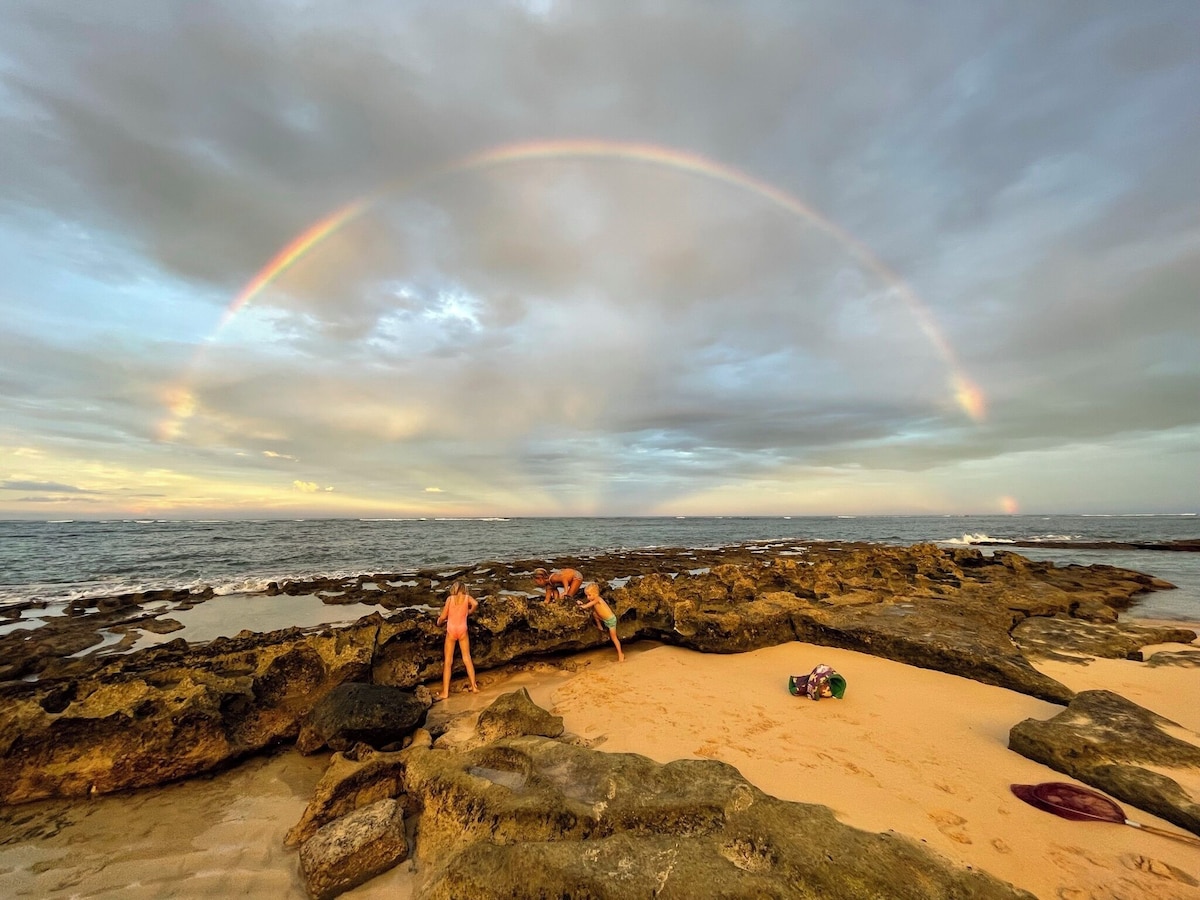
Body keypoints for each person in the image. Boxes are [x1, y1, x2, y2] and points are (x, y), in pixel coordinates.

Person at [435, 580, 479, 700]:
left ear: (454, 589)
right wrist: (469, 612)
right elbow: (475, 603)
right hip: (462, 630)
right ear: (464, 589)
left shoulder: (450, 599)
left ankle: (445, 692)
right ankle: (474, 686)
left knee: (448, 661)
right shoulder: (467, 598)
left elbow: (444, 616)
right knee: (467, 658)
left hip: (451, 630)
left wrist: (439, 622)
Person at [577, 583, 624, 662]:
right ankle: (600, 626)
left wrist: (583, 606)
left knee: (614, 638)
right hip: (604, 619)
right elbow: (588, 603)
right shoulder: (593, 599)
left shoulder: (597, 599)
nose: (588, 597)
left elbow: (589, 604)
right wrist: (581, 603)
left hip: (611, 620)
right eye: (587, 595)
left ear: (595, 594)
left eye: (589, 595)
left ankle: (620, 654)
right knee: (594, 614)